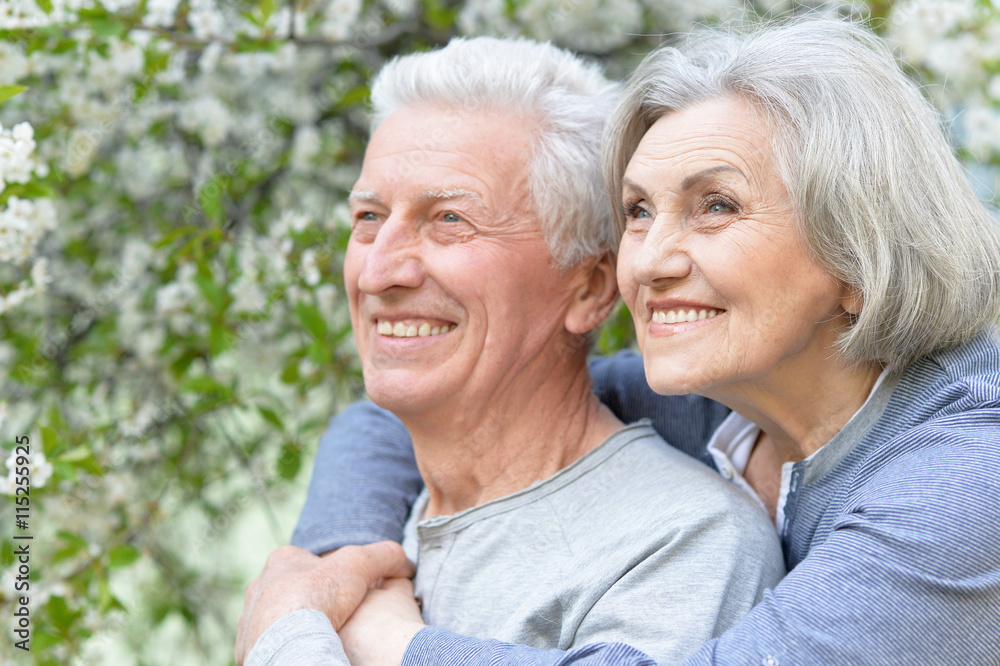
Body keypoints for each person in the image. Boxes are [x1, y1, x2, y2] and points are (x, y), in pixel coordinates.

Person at [271, 16, 1000, 666]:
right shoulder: (724, 405)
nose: (648, 261)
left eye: (715, 206)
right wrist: (345, 570)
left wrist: (386, 638)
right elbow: (409, 412)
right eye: (639, 212)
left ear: (857, 254)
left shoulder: (969, 478)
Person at [236, 36, 786, 665]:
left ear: (589, 287)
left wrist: (287, 631)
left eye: (449, 220)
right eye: (367, 218)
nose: (378, 272)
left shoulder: (679, 545)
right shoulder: (385, 522)